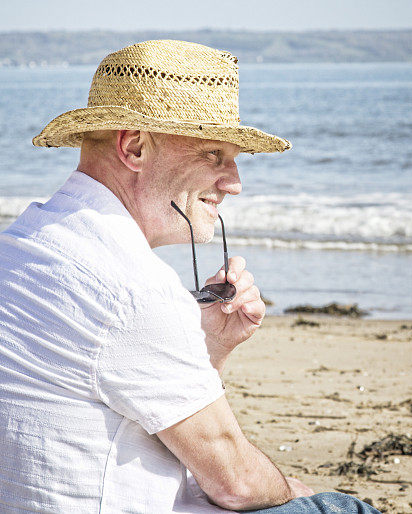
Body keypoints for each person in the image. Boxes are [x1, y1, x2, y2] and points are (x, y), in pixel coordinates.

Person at [0, 40, 380, 513]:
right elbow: (235, 483)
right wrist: (295, 493)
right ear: (134, 146)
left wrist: (209, 348)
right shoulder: (132, 287)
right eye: (214, 155)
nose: (235, 181)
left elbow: (133, 398)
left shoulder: (25, 242)